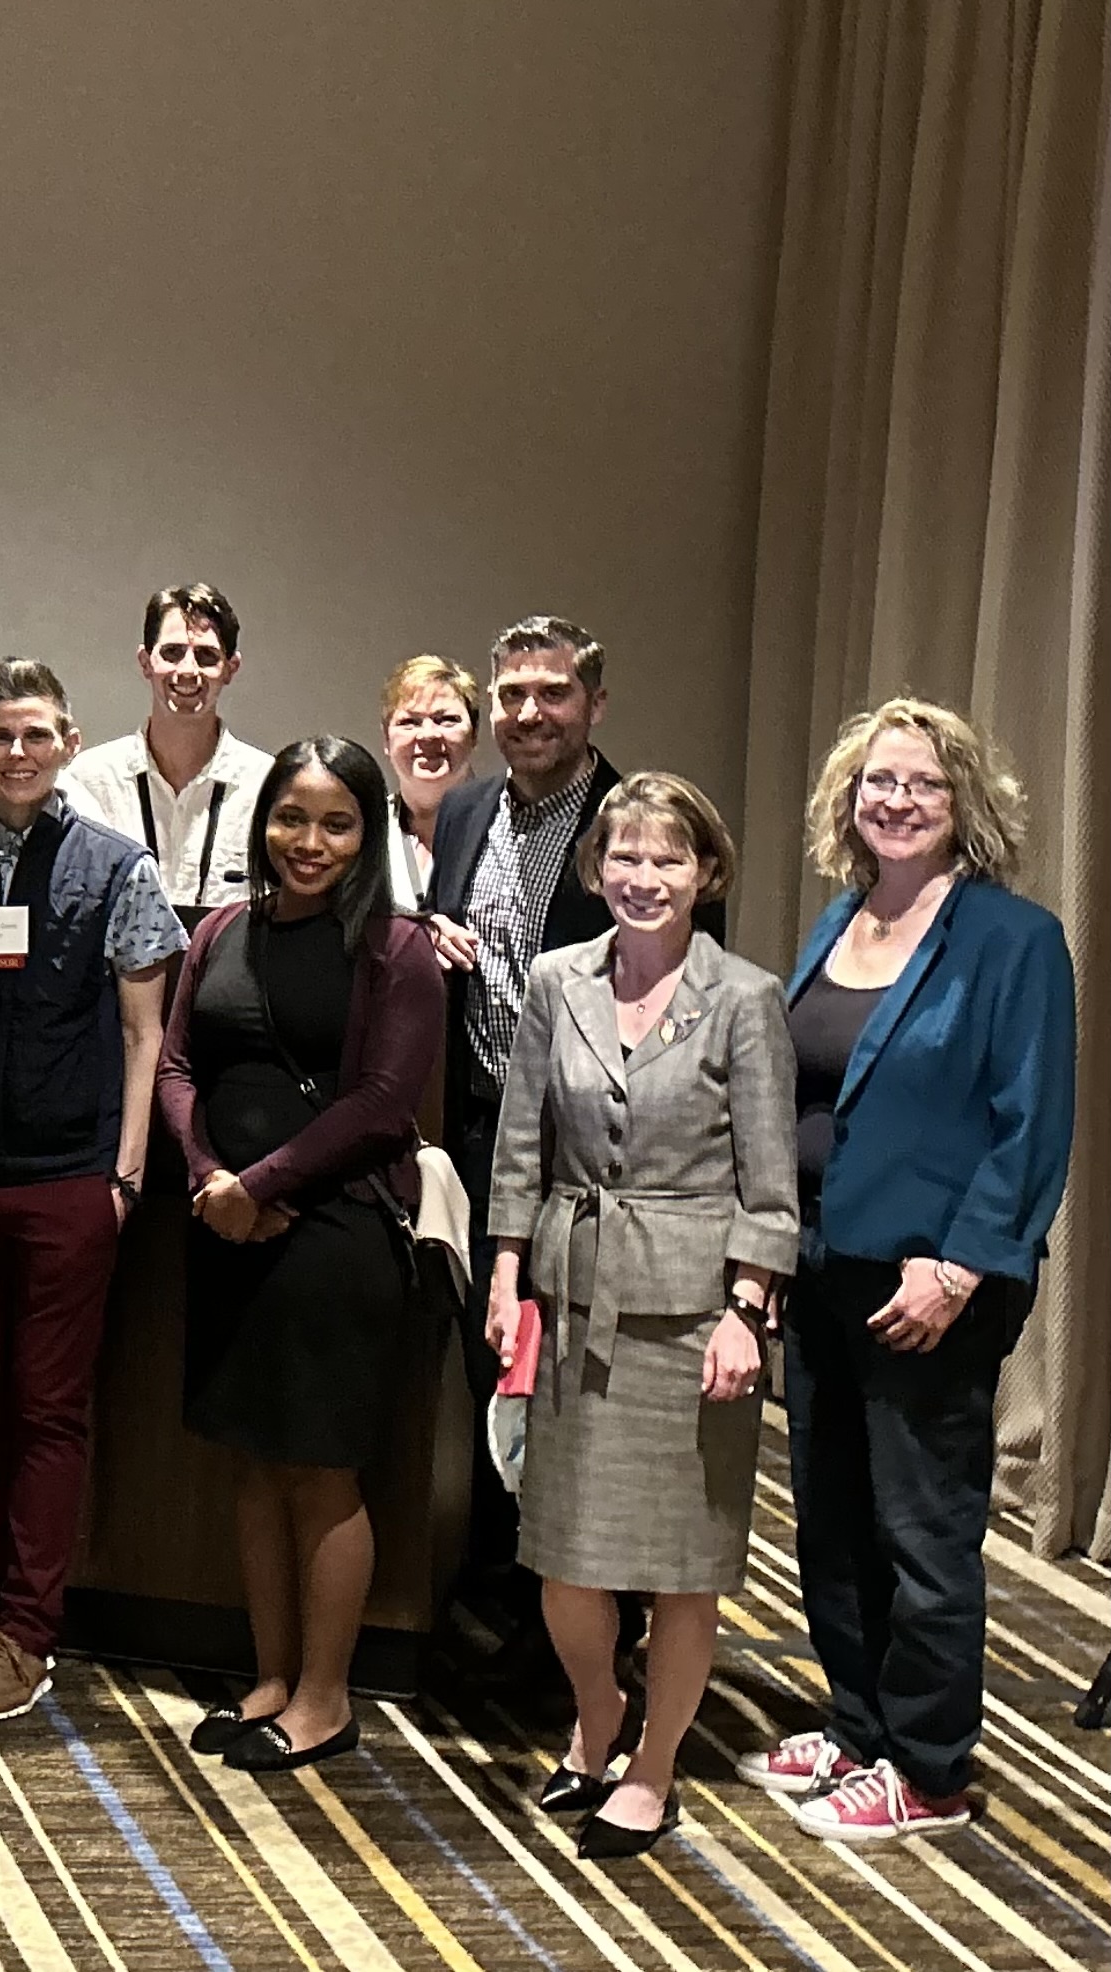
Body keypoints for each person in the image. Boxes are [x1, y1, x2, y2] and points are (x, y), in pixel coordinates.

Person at [742, 700, 1075, 1843]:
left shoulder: (1012, 939)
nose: (894, 800)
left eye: (921, 784)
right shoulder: (841, 921)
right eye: (877, 781)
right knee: (830, 1517)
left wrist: (963, 1265)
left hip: (932, 1284)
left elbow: (1031, 1124)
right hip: (826, 1264)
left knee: (921, 1528)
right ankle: (858, 1725)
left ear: (965, 802)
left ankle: (930, 1765)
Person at [481, 772, 792, 1854]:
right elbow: (522, 1139)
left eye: (669, 858)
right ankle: (598, 1709)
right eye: (625, 856)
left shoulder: (746, 999)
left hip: (692, 1314)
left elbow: (770, 1181)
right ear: (594, 868)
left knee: (677, 1564)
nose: (644, 876)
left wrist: (747, 1310)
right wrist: (506, 1268)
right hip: (572, 1297)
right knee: (564, 1554)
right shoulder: (558, 981)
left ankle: (653, 1764)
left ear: (706, 873)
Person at [0, 658, 184, 1723]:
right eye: (0, 736)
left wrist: (127, 1169)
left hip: (69, 1180)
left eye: (37, 736)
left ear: (67, 744)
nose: (17, 754)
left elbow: (145, 1031)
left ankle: (27, 1629)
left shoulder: (115, 868)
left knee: (47, 1407)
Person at [425, 615, 720, 1643]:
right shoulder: (463, 814)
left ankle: (610, 1608)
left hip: (602, 1160)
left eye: (552, 693)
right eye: (511, 694)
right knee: (495, 1364)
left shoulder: (638, 827)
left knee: (596, 1382)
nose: (529, 713)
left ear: (595, 704)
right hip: (480, 1136)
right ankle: (512, 1592)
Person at [155, 737, 444, 1772]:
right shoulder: (225, 927)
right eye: (291, 816)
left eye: (336, 822)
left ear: (367, 835)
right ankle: (270, 1677)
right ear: (262, 820)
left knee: (321, 1474)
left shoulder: (395, 947)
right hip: (226, 1225)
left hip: (334, 1234)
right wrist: (205, 1179)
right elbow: (180, 1062)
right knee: (252, 1466)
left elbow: (380, 1103)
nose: (308, 841)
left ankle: (326, 1697)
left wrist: (259, 1185)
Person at [64, 582, 274, 923]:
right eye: (172, 653)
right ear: (145, 662)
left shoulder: (268, 784)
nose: (188, 671)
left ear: (231, 669)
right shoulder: (88, 781)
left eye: (206, 656)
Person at [377, 655, 480, 910]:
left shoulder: (507, 830)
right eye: (409, 722)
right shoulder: (368, 831)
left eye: (446, 719)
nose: (428, 735)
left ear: (475, 733)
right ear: (386, 740)